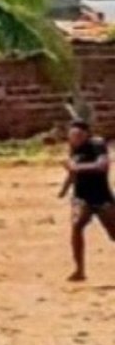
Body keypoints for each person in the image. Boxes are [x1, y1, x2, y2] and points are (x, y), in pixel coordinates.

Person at [58, 120, 115, 282]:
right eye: (72, 135)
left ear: (86, 135)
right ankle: (79, 270)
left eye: (78, 135)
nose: (74, 138)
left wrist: (75, 168)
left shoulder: (97, 145)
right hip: (81, 197)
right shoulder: (73, 150)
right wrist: (64, 188)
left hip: (102, 197)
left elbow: (101, 166)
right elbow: (72, 172)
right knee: (76, 226)